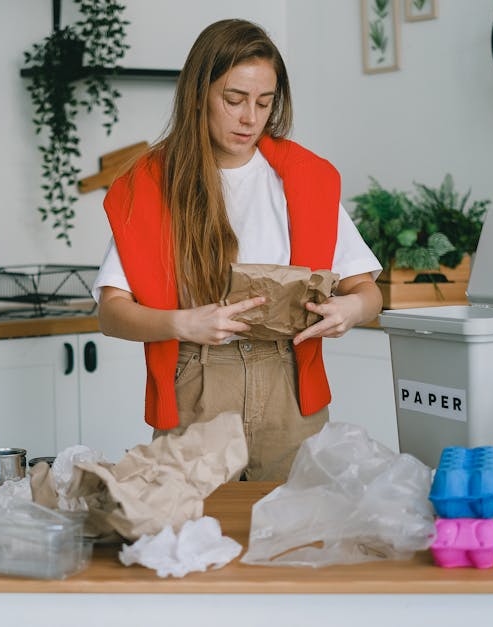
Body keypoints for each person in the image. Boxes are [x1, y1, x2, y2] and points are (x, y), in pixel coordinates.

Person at [92, 18, 383, 481]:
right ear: (199, 94)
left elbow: (367, 291)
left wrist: (350, 310)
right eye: (234, 100)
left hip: (289, 386)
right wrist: (182, 322)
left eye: (264, 103)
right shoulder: (148, 185)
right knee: (191, 538)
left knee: (292, 534)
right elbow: (111, 313)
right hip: (197, 383)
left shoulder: (306, 178)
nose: (250, 117)